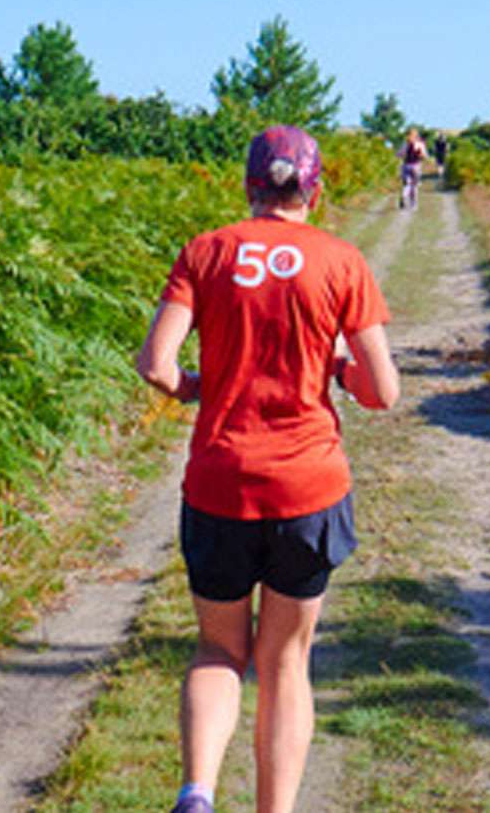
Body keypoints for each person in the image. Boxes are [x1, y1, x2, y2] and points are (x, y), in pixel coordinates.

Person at [137, 125, 401, 813]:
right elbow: (384, 391)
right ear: (313, 189)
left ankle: (197, 793)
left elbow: (156, 366)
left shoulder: (206, 252)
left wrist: (197, 386)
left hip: (220, 484)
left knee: (218, 652)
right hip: (307, 490)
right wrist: (339, 371)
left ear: (250, 185)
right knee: (285, 664)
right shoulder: (342, 262)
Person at [398, 127, 426, 209]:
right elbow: (424, 155)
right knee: (414, 186)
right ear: (416, 135)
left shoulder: (405, 144)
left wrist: (400, 155)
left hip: (405, 166)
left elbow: (399, 154)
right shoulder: (420, 144)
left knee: (406, 184)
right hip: (416, 166)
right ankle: (413, 204)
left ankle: (404, 196)